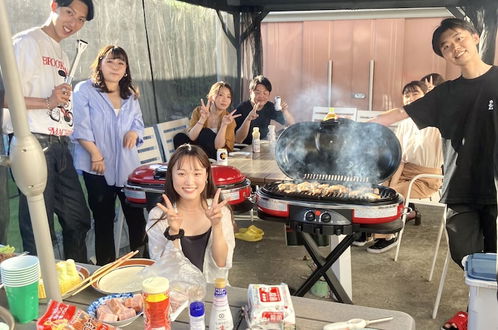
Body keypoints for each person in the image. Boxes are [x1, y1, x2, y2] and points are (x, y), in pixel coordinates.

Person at [370, 18, 497, 329]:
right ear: (443, 55)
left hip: (496, 191)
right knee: (466, 257)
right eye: (446, 46)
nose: (454, 47)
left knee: (494, 265)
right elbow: (402, 113)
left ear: (475, 37)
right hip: (460, 190)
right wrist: (357, 124)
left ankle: (479, 315)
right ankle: (480, 309)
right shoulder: (446, 94)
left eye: (458, 38)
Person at [2, 0, 94, 262]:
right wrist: (47, 102)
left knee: (78, 219)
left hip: (60, 145)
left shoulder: (62, 53)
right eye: (69, 13)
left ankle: (73, 279)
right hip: (32, 142)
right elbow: (5, 96)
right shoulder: (26, 42)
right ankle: (43, 292)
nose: (73, 23)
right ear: (54, 6)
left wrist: (57, 103)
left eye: (80, 20)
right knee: (39, 227)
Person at [72, 45, 146, 265]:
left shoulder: (130, 94)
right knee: (103, 219)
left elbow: (138, 122)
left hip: (127, 167)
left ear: (126, 69)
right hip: (97, 167)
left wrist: (134, 132)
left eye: (121, 63)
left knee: (136, 218)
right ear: (100, 64)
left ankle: (140, 265)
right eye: (110, 61)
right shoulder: (84, 90)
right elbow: (80, 126)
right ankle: (106, 268)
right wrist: (95, 154)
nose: (115, 67)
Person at [364, 81, 443, 253]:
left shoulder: (437, 122)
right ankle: (369, 233)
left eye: (416, 94)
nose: (411, 98)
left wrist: (436, 97)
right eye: (407, 95)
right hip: (403, 172)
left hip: (427, 178)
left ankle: (388, 235)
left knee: (391, 195)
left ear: (425, 96)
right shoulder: (404, 124)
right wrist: (390, 185)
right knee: (375, 190)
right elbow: (400, 160)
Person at [146, 144, 235, 283]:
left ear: (206, 176)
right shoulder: (159, 216)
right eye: (181, 174)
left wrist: (216, 225)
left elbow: (221, 263)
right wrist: (174, 233)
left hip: (214, 295)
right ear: (171, 176)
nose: (189, 181)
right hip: (176, 296)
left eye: (197, 173)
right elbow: (163, 272)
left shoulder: (219, 211)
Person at [173, 81, 240, 159]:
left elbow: (219, 147)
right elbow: (192, 137)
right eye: (221, 95)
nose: (225, 100)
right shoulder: (199, 111)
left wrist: (224, 125)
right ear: (211, 97)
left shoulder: (229, 119)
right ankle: (192, 162)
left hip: (217, 156)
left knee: (205, 133)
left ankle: (195, 161)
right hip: (199, 151)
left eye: (229, 97)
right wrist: (202, 119)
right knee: (179, 137)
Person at [234, 75, 295, 144]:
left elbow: (291, 125)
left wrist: (285, 111)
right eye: (257, 93)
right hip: (244, 149)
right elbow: (238, 139)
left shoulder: (269, 106)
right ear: (250, 92)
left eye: (265, 93)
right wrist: (248, 119)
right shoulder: (241, 109)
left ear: (269, 94)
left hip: (262, 147)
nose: (261, 96)